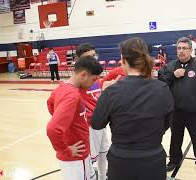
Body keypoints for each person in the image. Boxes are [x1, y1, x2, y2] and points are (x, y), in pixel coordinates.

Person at [91, 37, 174, 180]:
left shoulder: (112, 91)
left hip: (122, 161)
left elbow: (97, 123)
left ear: (123, 60)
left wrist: (103, 95)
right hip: (153, 159)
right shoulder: (162, 88)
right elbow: (167, 122)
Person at [158, 37, 196, 176]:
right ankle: (173, 161)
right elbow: (160, 84)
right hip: (175, 112)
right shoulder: (169, 67)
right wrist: (173, 75)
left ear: (190, 50)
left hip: (194, 112)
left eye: (184, 48)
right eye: (179, 48)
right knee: (175, 138)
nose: (181, 51)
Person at [46, 56, 103, 180]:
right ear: (84, 75)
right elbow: (52, 129)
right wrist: (66, 150)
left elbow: (50, 104)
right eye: (93, 80)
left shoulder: (63, 87)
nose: (94, 83)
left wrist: (66, 122)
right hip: (75, 157)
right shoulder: (72, 96)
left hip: (78, 153)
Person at [75, 43, 110, 180]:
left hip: (101, 123)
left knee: (104, 153)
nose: (94, 58)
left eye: (94, 55)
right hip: (89, 126)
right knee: (90, 158)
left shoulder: (95, 77)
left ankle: (102, 177)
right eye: (90, 56)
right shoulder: (79, 80)